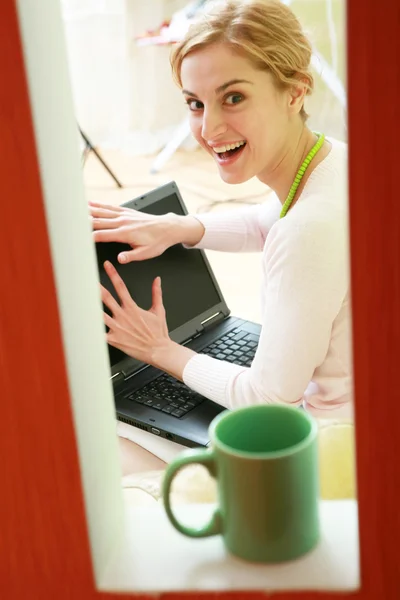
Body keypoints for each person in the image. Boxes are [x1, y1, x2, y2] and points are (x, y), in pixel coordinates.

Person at [90, 0, 351, 474]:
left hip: (324, 449)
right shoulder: (332, 162)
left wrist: (160, 350)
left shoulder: (310, 230)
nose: (208, 129)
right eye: (195, 103)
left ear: (295, 91)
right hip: (346, 416)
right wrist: (181, 228)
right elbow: (267, 221)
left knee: (89, 439)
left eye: (233, 98)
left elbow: (269, 397)